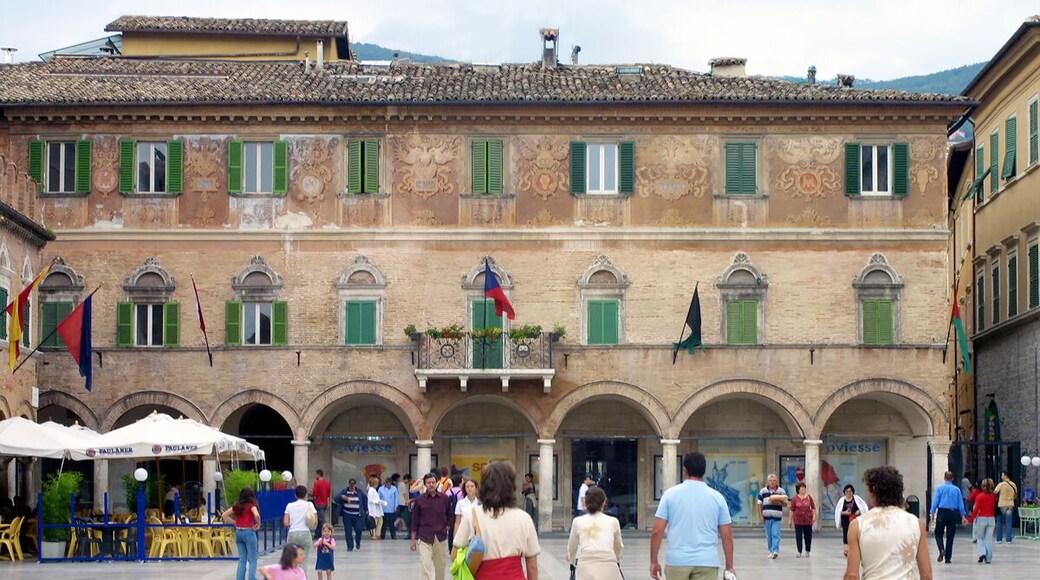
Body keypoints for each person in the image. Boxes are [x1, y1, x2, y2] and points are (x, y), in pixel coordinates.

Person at [650, 452, 735, 580]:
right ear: (704, 471)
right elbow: (727, 535)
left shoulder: (670, 495)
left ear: (684, 470)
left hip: (677, 561)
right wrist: (729, 566)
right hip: (707, 561)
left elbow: (657, 531)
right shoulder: (717, 497)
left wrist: (654, 561)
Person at [453, 461, 540, 580]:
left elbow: (454, 555)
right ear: (511, 486)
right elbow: (532, 565)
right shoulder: (524, 518)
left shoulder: (472, 515)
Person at [843, 466, 931, 580]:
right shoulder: (916, 524)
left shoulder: (858, 525)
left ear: (873, 490)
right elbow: (926, 575)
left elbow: (852, 575)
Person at [567, 486, 622, 580]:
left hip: (586, 566)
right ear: (604, 503)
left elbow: (572, 547)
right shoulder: (613, 521)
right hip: (608, 565)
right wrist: (617, 560)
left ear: (585, 503)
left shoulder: (577, 521)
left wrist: (572, 562)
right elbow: (618, 546)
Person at [411, 472, 453, 580]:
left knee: (440, 566)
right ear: (425, 484)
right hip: (424, 536)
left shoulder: (444, 498)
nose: (431, 485)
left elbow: (450, 516)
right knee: (425, 565)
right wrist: (413, 540)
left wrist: (446, 528)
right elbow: (414, 521)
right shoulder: (419, 500)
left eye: (433, 482)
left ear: (437, 483)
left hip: (440, 537)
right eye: (428, 483)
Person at [221, 486, 261, 580]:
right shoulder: (252, 506)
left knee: (242, 559)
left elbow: (224, 515)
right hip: (249, 532)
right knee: (252, 559)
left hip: (239, 532)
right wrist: (258, 524)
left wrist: (235, 523)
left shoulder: (236, 506)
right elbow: (256, 515)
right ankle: (251, 578)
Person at [929, 470, 968, 564]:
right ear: (952, 479)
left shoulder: (940, 488)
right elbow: (960, 504)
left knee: (938, 533)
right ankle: (948, 558)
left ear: (944, 478)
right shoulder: (956, 490)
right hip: (952, 513)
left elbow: (935, 501)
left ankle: (941, 549)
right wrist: (963, 515)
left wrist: (932, 512)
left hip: (942, 512)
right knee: (950, 535)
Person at [757, 473, 788, 559]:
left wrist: (779, 502)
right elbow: (759, 504)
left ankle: (775, 551)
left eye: (774, 481)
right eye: (770, 481)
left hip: (777, 517)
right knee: (769, 536)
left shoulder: (781, 491)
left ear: (776, 481)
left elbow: (786, 504)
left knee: (775, 534)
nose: (772, 482)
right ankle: (771, 550)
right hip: (766, 517)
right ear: (768, 481)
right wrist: (760, 516)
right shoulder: (763, 491)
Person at [834, 484, 869, 557]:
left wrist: (859, 511)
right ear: (844, 492)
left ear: (852, 492)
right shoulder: (842, 500)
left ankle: (854, 548)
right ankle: (846, 549)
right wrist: (845, 513)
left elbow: (863, 507)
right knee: (846, 533)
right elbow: (838, 511)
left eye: (850, 491)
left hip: (855, 519)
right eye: (847, 491)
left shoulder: (857, 499)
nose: (848, 493)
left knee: (855, 534)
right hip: (845, 519)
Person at [283, 485, 316, 560]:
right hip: (305, 532)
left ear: (295, 495)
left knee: (291, 559)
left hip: (292, 533)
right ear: (306, 495)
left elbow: (285, 522)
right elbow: (314, 521)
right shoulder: (309, 505)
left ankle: (292, 571)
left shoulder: (289, 505)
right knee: (303, 559)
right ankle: (302, 572)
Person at [968, 478, 997, 563]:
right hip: (991, 519)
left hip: (982, 518)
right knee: (989, 539)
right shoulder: (994, 496)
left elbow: (976, 510)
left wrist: (970, 520)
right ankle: (988, 558)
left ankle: (982, 552)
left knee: (980, 537)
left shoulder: (979, 496)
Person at [337, 478, 368, 551]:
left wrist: (366, 510)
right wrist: (342, 497)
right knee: (348, 531)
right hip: (347, 515)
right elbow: (336, 499)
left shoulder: (359, 492)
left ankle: (358, 542)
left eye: (353, 486)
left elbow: (364, 501)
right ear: (348, 485)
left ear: (355, 485)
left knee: (359, 529)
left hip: (357, 515)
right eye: (350, 485)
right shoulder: (344, 492)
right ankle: (350, 546)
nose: (352, 487)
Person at [789, 481, 816, 558]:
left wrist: (814, 516)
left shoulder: (809, 497)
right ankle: (799, 550)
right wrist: (790, 520)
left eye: (804, 487)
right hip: (798, 520)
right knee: (798, 536)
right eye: (802, 487)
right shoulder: (795, 499)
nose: (803, 489)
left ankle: (807, 550)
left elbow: (813, 507)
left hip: (808, 519)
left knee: (808, 536)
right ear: (798, 489)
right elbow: (792, 510)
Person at [994, 470, 1017, 544]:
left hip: (1001, 504)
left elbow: (995, 492)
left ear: (1005, 475)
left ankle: (999, 539)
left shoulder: (1001, 484)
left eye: (1002, 475)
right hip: (1010, 504)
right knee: (1009, 522)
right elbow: (1015, 495)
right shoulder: (1013, 485)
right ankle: (1008, 539)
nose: (1001, 476)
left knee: (999, 522)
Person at [312, 469, 332, 539]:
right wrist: (328, 502)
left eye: (315, 474)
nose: (315, 476)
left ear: (318, 474)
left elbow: (314, 493)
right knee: (320, 519)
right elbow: (329, 494)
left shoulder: (317, 483)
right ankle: (317, 534)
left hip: (318, 503)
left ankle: (327, 532)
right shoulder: (327, 483)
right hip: (325, 503)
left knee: (322, 520)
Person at [367, 475, 385, 540]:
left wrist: (381, 502)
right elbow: (370, 500)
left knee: (380, 521)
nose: (378, 484)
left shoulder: (374, 490)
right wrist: (377, 502)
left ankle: (377, 534)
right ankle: (374, 535)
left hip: (378, 510)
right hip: (373, 510)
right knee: (374, 523)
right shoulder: (371, 490)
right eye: (377, 483)